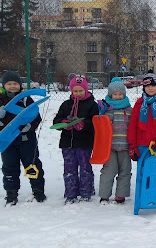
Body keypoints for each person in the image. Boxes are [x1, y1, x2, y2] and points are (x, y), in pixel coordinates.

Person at [52, 75, 99, 204]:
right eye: (75, 91)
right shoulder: (66, 105)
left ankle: (86, 192)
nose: (78, 93)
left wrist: (83, 125)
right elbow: (56, 121)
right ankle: (70, 193)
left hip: (84, 143)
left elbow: (96, 123)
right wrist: (64, 123)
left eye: (81, 91)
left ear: (86, 90)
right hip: (67, 143)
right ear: (71, 91)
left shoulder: (92, 105)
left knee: (85, 168)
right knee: (69, 169)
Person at [0, 72, 45, 205]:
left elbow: (36, 117)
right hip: (7, 141)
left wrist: (30, 126)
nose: (12, 86)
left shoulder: (26, 100)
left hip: (26, 139)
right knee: (9, 167)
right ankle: (11, 192)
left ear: (20, 85)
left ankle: (38, 189)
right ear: (4, 85)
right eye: (9, 84)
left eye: (15, 83)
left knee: (32, 164)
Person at [97, 78, 133, 204]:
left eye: (120, 94)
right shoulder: (106, 109)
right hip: (110, 147)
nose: (118, 96)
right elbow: (100, 126)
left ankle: (120, 195)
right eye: (115, 94)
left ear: (124, 94)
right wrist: (101, 114)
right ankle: (104, 195)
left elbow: (133, 125)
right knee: (108, 171)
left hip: (125, 146)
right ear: (110, 95)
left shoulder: (129, 110)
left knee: (125, 171)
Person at [127, 70, 156, 166]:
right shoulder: (139, 104)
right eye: (147, 86)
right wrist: (132, 145)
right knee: (143, 172)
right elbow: (132, 125)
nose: (150, 88)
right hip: (141, 144)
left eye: (153, 86)